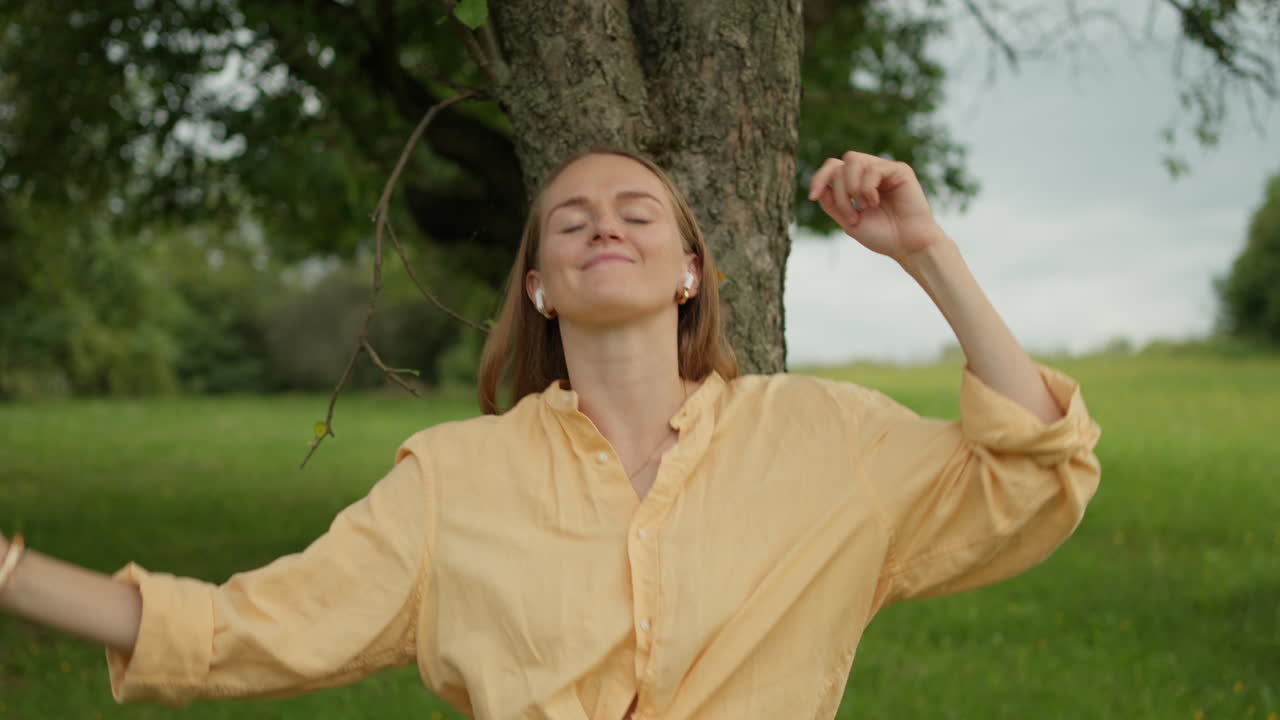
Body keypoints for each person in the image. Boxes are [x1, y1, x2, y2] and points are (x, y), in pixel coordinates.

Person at [0, 148, 1101, 719]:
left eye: (636, 212)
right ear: (538, 288)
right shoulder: (453, 480)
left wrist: (924, 253)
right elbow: (250, 630)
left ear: (687, 274)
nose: (604, 224)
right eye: (571, 220)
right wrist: (12, 573)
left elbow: (1031, 476)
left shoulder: (822, 438)